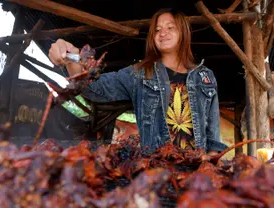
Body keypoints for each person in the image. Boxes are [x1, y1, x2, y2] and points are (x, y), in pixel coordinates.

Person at [48, 8, 228, 154]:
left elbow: (212, 133)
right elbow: (93, 88)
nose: (162, 33)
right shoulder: (140, 73)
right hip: (155, 171)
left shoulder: (205, 76)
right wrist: (70, 57)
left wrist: (211, 163)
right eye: (157, 30)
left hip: (197, 172)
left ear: (183, 32)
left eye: (170, 27)